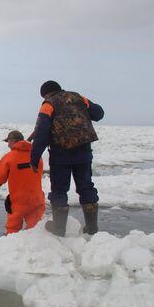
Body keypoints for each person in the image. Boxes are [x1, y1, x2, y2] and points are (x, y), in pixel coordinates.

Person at [30, 80, 104, 236]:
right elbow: (99, 114)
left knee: (59, 189)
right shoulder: (78, 98)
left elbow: (42, 133)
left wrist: (34, 158)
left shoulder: (48, 105)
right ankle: (91, 228)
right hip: (83, 152)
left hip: (60, 154)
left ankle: (59, 228)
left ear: (46, 94)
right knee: (86, 187)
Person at [0, 130, 45, 234]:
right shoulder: (37, 156)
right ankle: (33, 246)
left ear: (12, 141)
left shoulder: (9, 157)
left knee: (13, 229)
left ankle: (11, 245)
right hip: (37, 199)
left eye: (8, 142)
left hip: (19, 201)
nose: (8, 145)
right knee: (34, 229)